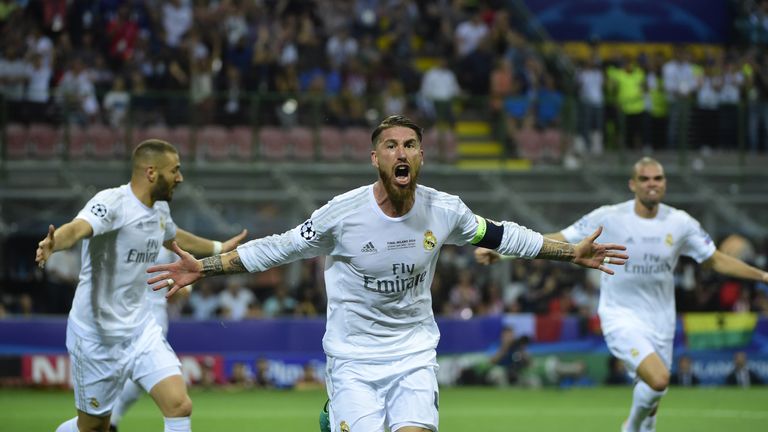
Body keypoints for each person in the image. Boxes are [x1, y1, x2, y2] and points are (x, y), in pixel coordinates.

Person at [148, 115, 627, 432]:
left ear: (421, 157)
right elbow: (279, 249)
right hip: (353, 358)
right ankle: (335, 412)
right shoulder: (343, 215)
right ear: (375, 158)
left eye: (411, 145)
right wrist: (206, 267)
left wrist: (568, 253)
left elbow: (503, 237)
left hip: (414, 354)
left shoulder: (446, 210)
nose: (402, 152)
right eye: (391, 146)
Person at [475, 157, 768, 432]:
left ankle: (640, 426)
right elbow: (559, 239)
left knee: (655, 391)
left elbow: (715, 259)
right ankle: (630, 428)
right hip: (620, 315)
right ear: (633, 184)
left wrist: (764, 276)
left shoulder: (680, 223)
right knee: (659, 378)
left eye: (658, 178)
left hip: (662, 320)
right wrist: (504, 253)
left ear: (664, 183)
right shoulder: (609, 217)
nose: (652, 183)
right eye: (645, 178)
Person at [35, 139, 247, 432]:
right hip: (97, 336)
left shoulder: (159, 210)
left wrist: (218, 246)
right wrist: (54, 243)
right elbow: (78, 228)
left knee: (179, 405)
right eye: (175, 170)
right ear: (151, 172)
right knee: (93, 427)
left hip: (140, 330)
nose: (180, 178)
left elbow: (174, 236)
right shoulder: (112, 203)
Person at [109, 247, 189, 432]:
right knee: (141, 371)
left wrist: (182, 285)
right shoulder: (124, 227)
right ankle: (109, 416)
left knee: (146, 373)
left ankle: (111, 418)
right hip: (124, 312)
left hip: (156, 315)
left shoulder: (167, 233)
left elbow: (179, 273)